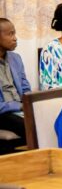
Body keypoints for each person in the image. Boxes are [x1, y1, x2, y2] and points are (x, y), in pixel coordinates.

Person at [0, 19, 30, 152]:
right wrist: (18, 106)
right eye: (10, 34)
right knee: (29, 126)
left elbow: (25, 89)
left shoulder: (16, 58)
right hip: (3, 112)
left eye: (15, 33)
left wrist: (29, 103)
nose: (15, 38)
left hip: (21, 108)